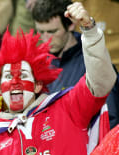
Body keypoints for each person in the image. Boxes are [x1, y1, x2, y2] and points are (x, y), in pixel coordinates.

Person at [0, 2, 116, 155]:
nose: (15, 82)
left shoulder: (68, 106)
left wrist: (90, 30)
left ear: (38, 85)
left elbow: (102, 82)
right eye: (9, 77)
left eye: (23, 75)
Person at [31, 0, 119, 130]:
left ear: (71, 25)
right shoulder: (37, 63)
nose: (46, 39)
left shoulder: (93, 59)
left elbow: (111, 117)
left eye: (53, 31)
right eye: (40, 31)